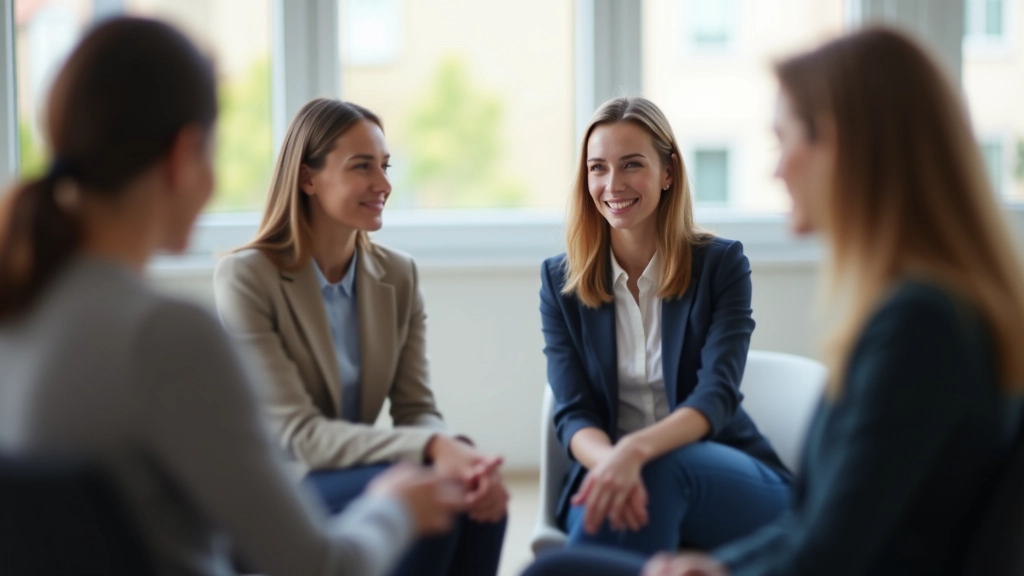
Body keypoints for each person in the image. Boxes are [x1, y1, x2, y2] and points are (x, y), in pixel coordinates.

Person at [524, 26, 1024, 576]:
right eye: (598, 167)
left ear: (853, 149)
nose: (776, 168)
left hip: (718, 484)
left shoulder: (918, 325)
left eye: (787, 141)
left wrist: (716, 567)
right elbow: (828, 531)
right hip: (699, 510)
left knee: (570, 556)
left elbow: (831, 547)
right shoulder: (922, 311)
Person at [0, 17, 466, 576]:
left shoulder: (19, 308)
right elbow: (320, 566)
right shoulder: (167, 335)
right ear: (185, 154)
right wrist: (395, 506)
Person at [214, 98, 508, 576]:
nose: (385, 184)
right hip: (279, 489)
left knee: (476, 498)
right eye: (362, 166)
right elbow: (299, 435)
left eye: (385, 166)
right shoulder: (247, 278)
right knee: (430, 499)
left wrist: (460, 460)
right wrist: (433, 450)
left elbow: (416, 408)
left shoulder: (399, 274)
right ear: (307, 178)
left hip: (356, 475)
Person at [538, 96, 792, 558]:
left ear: (668, 172)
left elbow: (715, 396)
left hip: (723, 470)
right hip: (610, 474)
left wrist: (635, 452)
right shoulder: (559, 282)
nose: (612, 184)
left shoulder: (721, 265)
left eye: (631, 164)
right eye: (597, 168)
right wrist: (614, 464)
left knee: (657, 473)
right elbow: (573, 413)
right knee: (630, 499)